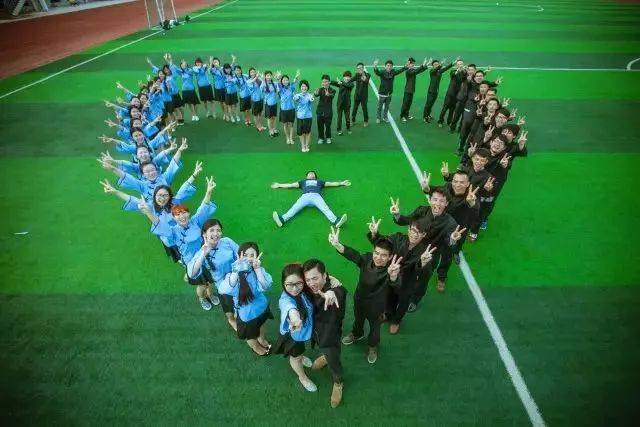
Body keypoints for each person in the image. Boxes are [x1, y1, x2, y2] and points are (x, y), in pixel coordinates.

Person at [141, 177, 218, 310]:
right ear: (174, 217)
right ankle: (202, 298)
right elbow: (158, 223)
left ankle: (210, 294)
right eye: (178, 214)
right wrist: (148, 211)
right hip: (192, 262)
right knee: (201, 285)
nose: (182, 216)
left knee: (211, 281)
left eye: (184, 213)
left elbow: (203, 207)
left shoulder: (195, 221)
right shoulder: (172, 231)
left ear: (188, 214)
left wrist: (209, 191)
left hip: (206, 257)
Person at [328, 226, 401, 364]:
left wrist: (393, 277)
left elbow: (397, 288)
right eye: (376, 253)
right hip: (360, 299)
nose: (378, 258)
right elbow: (353, 255)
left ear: (390, 257)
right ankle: (357, 334)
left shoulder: (393, 270)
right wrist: (338, 244)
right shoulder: (367, 259)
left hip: (377, 307)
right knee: (358, 320)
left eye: (384, 255)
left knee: (375, 329)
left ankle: (372, 346)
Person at [419, 171, 479, 292]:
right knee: (432, 252)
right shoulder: (447, 187)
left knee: (447, 256)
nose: (457, 185)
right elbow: (434, 191)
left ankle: (442, 277)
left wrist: (472, 203)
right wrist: (426, 188)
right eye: (455, 181)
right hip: (440, 229)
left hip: (456, 233)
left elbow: (476, 212)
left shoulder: (471, 196)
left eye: (462, 182)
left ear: (467, 184)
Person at [302, 258, 346, 408]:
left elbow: (338, 293)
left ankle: (338, 383)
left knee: (334, 360)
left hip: (329, 336)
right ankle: (325, 357)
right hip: (316, 333)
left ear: (324, 276)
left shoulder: (336, 291)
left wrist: (331, 293)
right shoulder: (308, 287)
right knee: (325, 351)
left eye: (315, 278)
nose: (311, 283)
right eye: (308, 279)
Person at [218, 242, 273, 355]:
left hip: (261, 307)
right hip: (247, 315)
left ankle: (262, 339)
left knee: (262, 324)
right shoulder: (233, 275)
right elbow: (223, 290)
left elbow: (265, 286)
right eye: (245, 255)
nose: (248, 258)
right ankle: (256, 348)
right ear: (239, 256)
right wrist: (235, 271)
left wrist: (257, 269)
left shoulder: (259, 270)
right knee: (250, 336)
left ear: (257, 256)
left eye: (252, 255)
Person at [187, 218, 240, 327]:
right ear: (204, 234)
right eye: (212, 230)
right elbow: (191, 273)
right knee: (228, 304)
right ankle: (231, 320)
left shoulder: (227, 241)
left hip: (237, 277)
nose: (216, 233)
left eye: (218, 230)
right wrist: (203, 254)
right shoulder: (202, 251)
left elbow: (239, 253)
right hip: (222, 285)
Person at [272, 263, 317, 392]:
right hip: (292, 336)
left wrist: (333, 280)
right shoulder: (285, 299)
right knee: (295, 357)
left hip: (303, 332)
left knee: (300, 353)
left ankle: (301, 357)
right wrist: (295, 318)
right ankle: (303, 377)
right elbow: (289, 307)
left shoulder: (305, 291)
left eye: (299, 283)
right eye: (289, 284)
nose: (295, 288)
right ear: (283, 283)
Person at [271, 171, 349, 228]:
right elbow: (291, 185)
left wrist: (342, 183)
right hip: (305, 196)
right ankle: (282, 220)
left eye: (313, 173)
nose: (311, 174)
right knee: (294, 208)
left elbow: (330, 183)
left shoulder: (319, 181)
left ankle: (336, 221)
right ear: (307, 176)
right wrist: (279, 185)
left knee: (325, 209)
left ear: (315, 176)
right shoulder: (302, 182)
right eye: (309, 173)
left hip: (316, 196)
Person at [372, 59, 406, 123]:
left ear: (392, 67)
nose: (389, 67)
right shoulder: (382, 72)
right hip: (382, 93)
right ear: (385, 66)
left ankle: (385, 117)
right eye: (388, 65)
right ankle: (378, 118)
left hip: (389, 93)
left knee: (387, 107)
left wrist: (405, 67)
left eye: (390, 66)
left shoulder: (393, 72)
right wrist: (375, 66)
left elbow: (399, 71)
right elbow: (377, 72)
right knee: (380, 107)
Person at [423, 58, 455, 123]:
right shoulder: (432, 71)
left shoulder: (439, 71)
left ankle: (428, 114)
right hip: (431, 91)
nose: (436, 65)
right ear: (433, 66)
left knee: (431, 104)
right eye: (435, 64)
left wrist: (452, 64)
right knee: (428, 104)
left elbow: (445, 68)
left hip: (436, 91)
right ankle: (425, 117)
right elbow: (435, 70)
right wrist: (440, 65)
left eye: (437, 64)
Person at [399, 57, 429, 122]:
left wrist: (426, 65)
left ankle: (406, 115)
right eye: (412, 64)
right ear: (409, 64)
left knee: (409, 103)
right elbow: (416, 71)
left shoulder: (413, 71)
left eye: (413, 64)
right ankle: (402, 116)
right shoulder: (408, 71)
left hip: (411, 90)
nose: (413, 65)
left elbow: (419, 71)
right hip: (407, 90)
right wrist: (423, 65)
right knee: (405, 104)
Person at [276, 70, 300, 144]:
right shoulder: (280, 88)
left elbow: (294, 82)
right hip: (284, 109)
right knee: (285, 124)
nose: (285, 81)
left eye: (287, 80)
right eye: (284, 80)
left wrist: (296, 77)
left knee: (291, 124)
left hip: (291, 109)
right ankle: (287, 138)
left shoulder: (291, 87)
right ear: (282, 81)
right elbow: (278, 84)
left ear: (288, 81)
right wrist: (279, 78)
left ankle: (291, 138)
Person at [293, 79, 314, 153]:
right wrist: (297, 98)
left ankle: (307, 145)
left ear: (307, 87)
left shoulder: (310, 95)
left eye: (305, 86)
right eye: (302, 86)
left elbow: (311, 99)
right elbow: (295, 98)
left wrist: (311, 98)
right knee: (301, 133)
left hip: (308, 116)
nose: (304, 88)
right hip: (300, 117)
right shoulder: (298, 95)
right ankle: (303, 145)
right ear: (300, 87)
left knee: (307, 132)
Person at [314, 75, 335, 144]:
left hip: (328, 112)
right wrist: (315, 93)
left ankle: (328, 137)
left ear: (329, 82)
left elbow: (332, 96)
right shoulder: (321, 89)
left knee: (328, 126)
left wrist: (328, 95)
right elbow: (316, 95)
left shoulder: (332, 90)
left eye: (326, 82)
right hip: (320, 111)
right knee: (320, 126)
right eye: (323, 82)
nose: (324, 83)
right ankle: (321, 138)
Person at [351, 62, 370, 127]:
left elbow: (367, 81)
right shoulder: (356, 75)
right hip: (357, 95)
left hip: (364, 96)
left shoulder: (367, 75)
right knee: (355, 108)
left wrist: (364, 79)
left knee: (364, 109)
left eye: (361, 68)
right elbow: (351, 80)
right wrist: (343, 82)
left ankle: (366, 121)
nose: (359, 69)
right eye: (358, 68)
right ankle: (353, 120)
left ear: (363, 68)